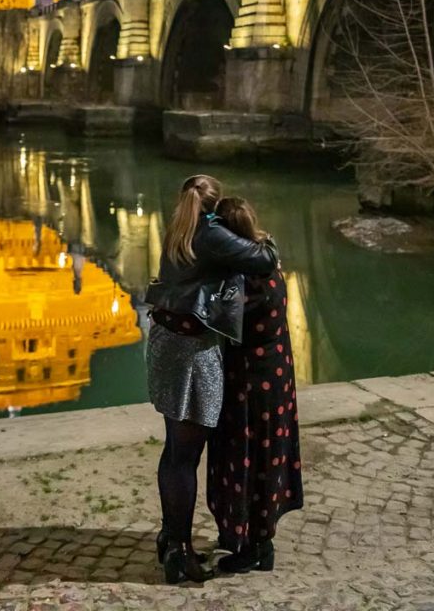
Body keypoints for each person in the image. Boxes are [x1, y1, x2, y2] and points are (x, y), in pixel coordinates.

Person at [146, 176, 278, 585]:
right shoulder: (211, 231)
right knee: (186, 456)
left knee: (173, 450)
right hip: (192, 353)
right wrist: (262, 236)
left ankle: (170, 537)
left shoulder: (179, 228)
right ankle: (180, 555)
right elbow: (265, 258)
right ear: (215, 206)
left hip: (165, 342)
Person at [207, 196, 303, 574]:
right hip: (276, 378)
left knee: (247, 455)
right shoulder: (269, 261)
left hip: (251, 383)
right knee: (268, 455)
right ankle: (252, 536)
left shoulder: (244, 279)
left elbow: (215, 318)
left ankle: (254, 546)